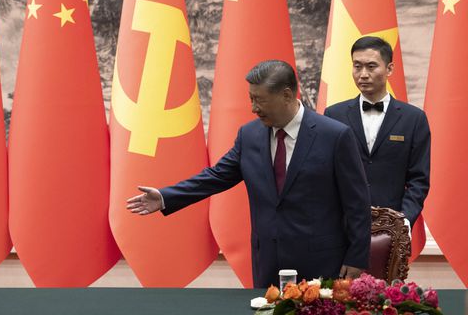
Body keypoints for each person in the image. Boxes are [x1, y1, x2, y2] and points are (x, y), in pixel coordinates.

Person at [126, 60, 371, 288]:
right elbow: (216, 176)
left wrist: (357, 258)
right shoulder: (249, 135)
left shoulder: (335, 136)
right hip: (268, 262)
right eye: (250, 99)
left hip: (321, 262)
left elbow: (357, 204)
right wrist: (165, 197)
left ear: (286, 94)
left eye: (259, 100)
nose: (253, 108)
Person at [323, 36, 430, 234]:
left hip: (393, 229)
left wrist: (403, 221)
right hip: (342, 229)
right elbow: (326, 175)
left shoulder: (414, 119)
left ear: (389, 69)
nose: (363, 74)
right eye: (357, 66)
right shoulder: (333, 115)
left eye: (371, 67)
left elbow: (418, 180)